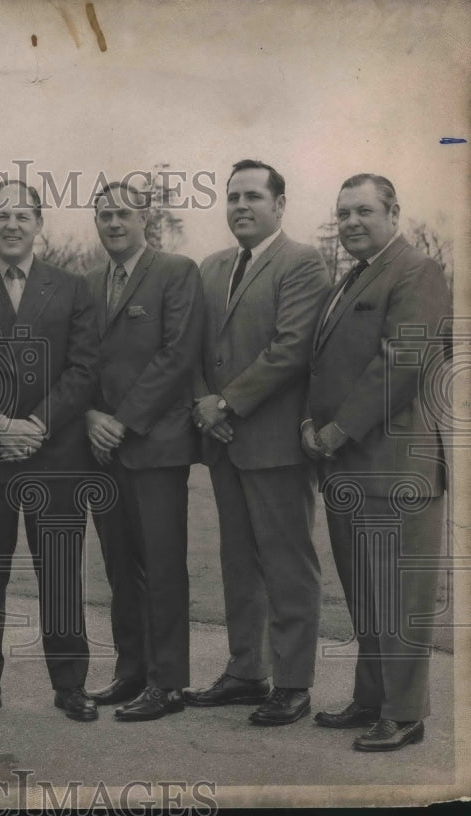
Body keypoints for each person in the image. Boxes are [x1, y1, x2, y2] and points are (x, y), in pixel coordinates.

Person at [0, 180, 99, 723]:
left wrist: (36, 423)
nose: (12, 224)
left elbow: (83, 369)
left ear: (39, 224)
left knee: (59, 570)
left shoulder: (72, 288)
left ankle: (71, 684)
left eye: (23, 215)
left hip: (56, 456)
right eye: (1, 215)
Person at [304, 174, 450, 751]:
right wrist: (309, 427)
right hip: (347, 466)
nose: (351, 223)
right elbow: (322, 368)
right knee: (366, 592)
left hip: (395, 467)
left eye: (363, 211)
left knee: (400, 597)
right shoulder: (351, 279)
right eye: (342, 214)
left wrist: (336, 430)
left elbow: (402, 362)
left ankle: (406, 713)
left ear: (394, 212)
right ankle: (372, 699)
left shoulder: (418, 271)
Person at [186, 159, 330, 726]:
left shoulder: (302, 262)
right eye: (232, 197)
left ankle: (293, 683)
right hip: (221, 440)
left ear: (279, 204)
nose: (240, 206)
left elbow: (290, 349)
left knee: (287, 564)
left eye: (252, 196)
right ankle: (247, 671)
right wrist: (204, 405)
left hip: (274, 445)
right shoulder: (211, 266)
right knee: (238, 562)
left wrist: (225, 403)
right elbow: (193, 347)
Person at [84, 181, 204, 721]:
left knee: (162, 566)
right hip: (102, 450)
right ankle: (131, 671)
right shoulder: (88, 284)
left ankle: (169, 683)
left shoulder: (176, 271)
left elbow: (177, 356)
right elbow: (80, 362)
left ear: (144, 220)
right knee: (119, 568)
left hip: (155, 445)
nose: (114, 223)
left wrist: (123, 421)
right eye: (105, 214)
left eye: (124, 214)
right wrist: (90, 416)